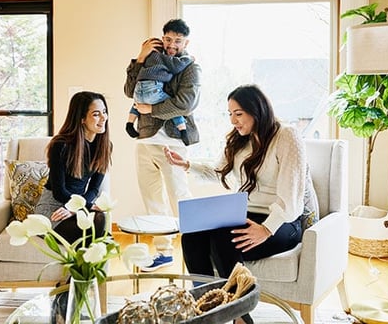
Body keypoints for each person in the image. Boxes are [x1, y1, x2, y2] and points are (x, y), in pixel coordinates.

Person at [164, 84, 309, 324]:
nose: (233, 120)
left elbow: (291, 197)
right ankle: (205, 306)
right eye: (230, 114)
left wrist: (266, 229)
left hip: (284, 221)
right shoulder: (240, 139)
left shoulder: (286, 135)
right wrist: (186, 165)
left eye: (238, 114)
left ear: (257, 110)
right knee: (192, 235)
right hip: (247, 212)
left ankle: (240, 315)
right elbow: (219, 170)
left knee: (224, 237)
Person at [124, 18, 201, 271]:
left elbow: (186, 103)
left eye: (177, 41)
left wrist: (153, 109)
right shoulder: (150, 59)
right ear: (162, 38)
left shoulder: (191, 67)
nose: (171, 45)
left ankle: (197, 252)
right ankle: (164, 253)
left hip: (174, 143)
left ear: (185, 42)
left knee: (180, 197)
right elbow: (129, 91)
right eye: (168, 39)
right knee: (152, 199)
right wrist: (139, 57)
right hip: (145, 140)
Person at [34, 91, 112, 244]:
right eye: (96, 114)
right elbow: (59, 192)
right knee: (99, 236)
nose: (103, 118)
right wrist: (82, 207)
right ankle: (83, 267)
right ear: (82, 118)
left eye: (104, 112)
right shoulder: (61, 145)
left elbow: (94, 189)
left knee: (100, 221)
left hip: (76, 206)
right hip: (53, 208)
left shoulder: (105, 146)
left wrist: (77, 208)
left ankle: (81, 267)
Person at [125, 43, 194, 146]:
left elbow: (131, 92)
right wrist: (190, 58)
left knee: (137, 104)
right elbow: (177, 65)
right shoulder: (162, 58)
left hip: (139, 90)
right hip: (152, 90)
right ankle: (183, 130)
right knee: (171, 106)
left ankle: (129, 123)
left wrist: (141, 57)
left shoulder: (143, 63)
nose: (171, 45)